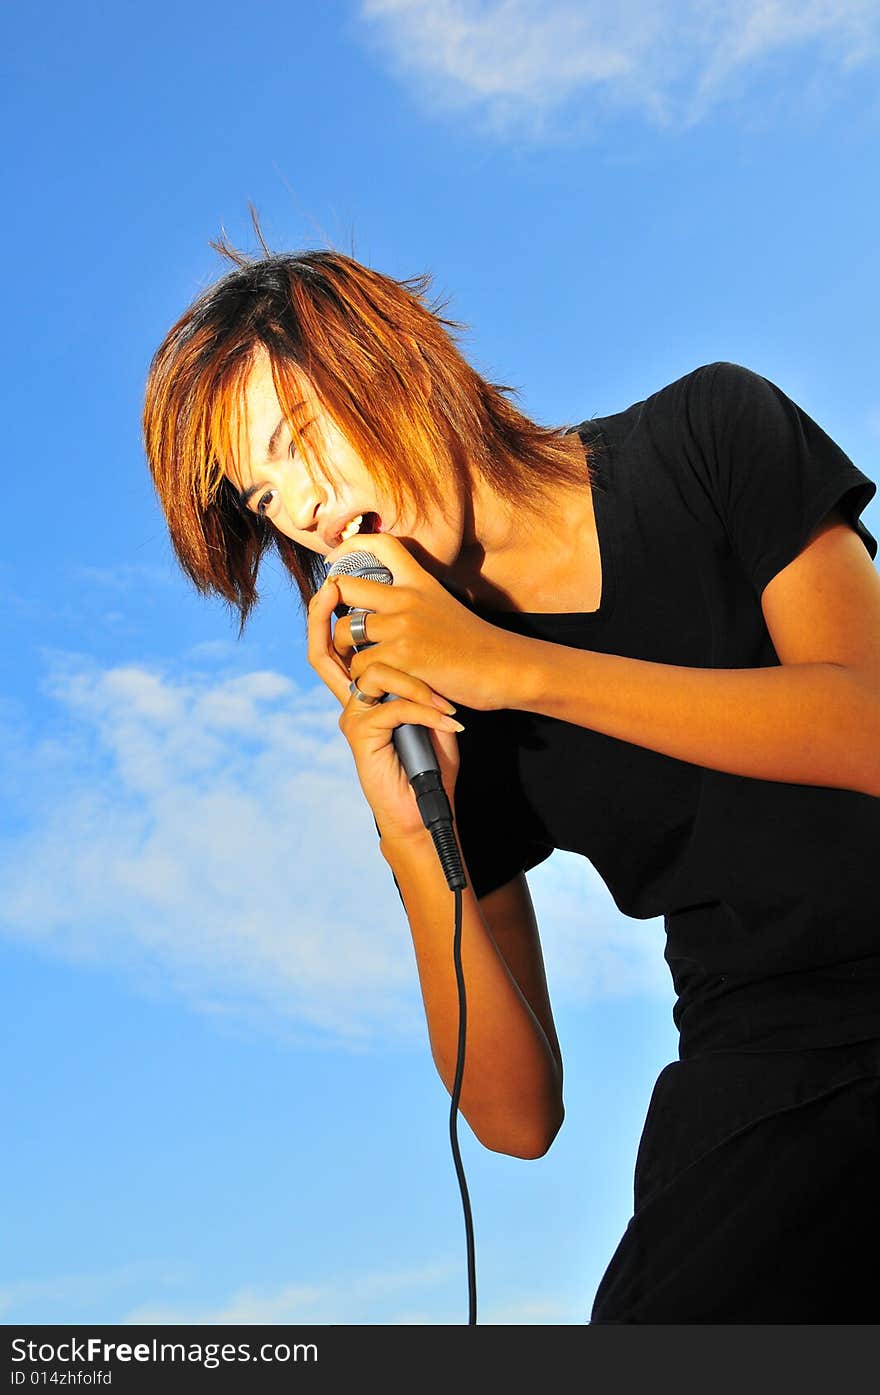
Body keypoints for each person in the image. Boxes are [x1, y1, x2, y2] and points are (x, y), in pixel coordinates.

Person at [142, 236, 880, 1323]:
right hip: (766, 1075)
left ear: (398, 368)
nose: (297, 505)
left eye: (301, 441)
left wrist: (514, 669)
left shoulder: (710, 435)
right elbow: (515, 1117)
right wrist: (405, 831)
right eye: (260, 492)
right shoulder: (443, 700)